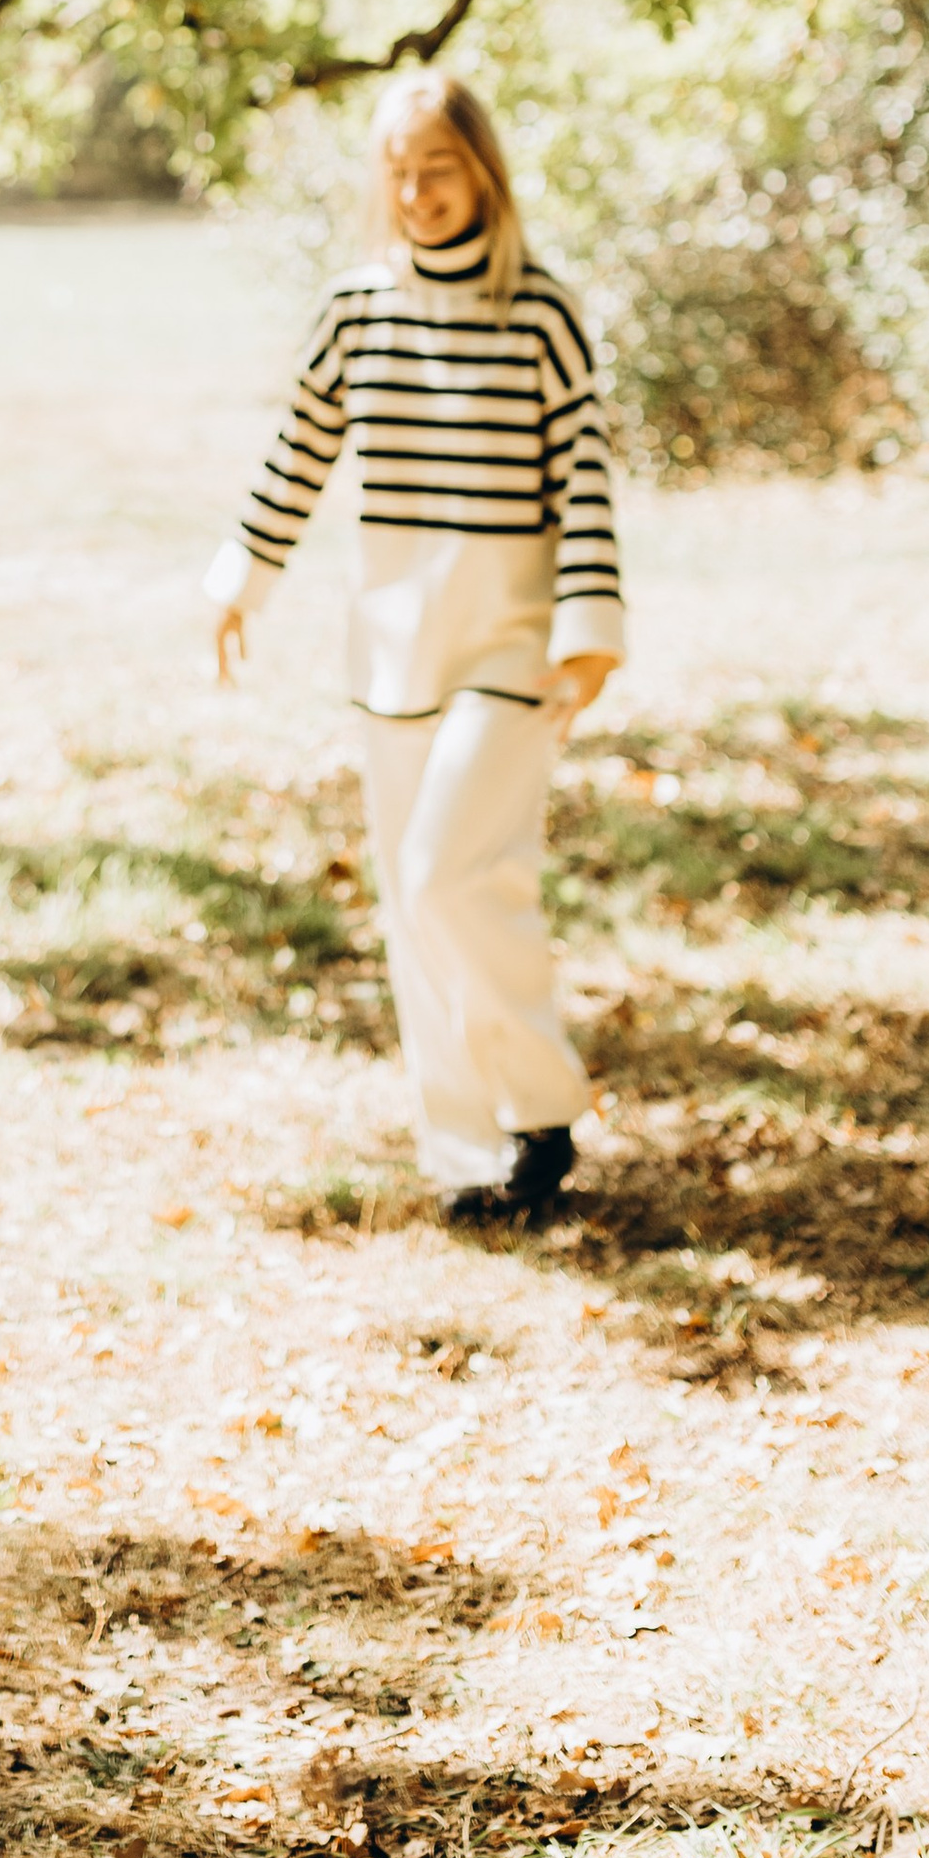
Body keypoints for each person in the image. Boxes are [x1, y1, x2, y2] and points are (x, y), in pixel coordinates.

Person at [206, 68, 624, 1220]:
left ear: (482, 171)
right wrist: (241, 579)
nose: (416, 189)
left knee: (452, 873)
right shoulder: (356, 310)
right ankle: (470, 1156)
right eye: (397, 169)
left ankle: (538, 1112)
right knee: (415, 901)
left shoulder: (539, 310)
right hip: (392, 655)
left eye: (437, 166)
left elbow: (583, 478)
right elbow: (299, 451)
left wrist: (590, 633)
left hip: (511, 650)